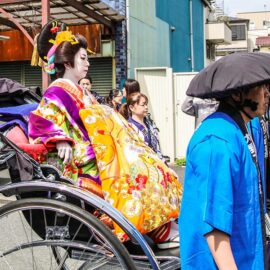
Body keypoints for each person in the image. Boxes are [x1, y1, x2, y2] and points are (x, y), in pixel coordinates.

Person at [29, 20, 182, 245]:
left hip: (101, 150)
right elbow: (42, 119)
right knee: (130, 176)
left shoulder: (82, 91)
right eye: (83, 58)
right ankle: (152, 226)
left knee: (147, 164)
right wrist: (59, 139)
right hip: (83, 158)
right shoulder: (57, 91)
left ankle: (159, 221)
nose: (88, 63)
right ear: (67, 62)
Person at [180, 83, 270, 269]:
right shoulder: (217, 139)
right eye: (261, 88)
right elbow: (214, 226)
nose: (267, 94)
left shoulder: (239, 128)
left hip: (246, 254)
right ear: (237, 95)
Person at [120, 92, 164, 161]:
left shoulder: (149, 124)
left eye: (146, 104)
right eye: (143, 105)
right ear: (131, 108)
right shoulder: (129, 127)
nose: (146, 107)